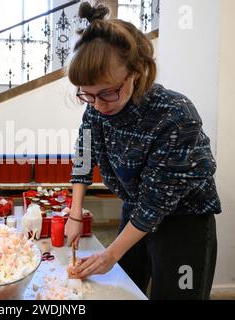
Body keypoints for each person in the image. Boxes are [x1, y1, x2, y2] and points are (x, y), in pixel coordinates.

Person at [64, 2, 221, 300]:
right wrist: (75, 214)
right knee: (124, 288)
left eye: (108, 92)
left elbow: (155, 204)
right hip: (136, 208)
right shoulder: (97, 108)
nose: (97, 104)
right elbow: (84, 154)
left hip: (183, 221)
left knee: (176, 293)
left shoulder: (175, 114)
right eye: (87, 94)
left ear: (136, 72)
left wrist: (110, 253)